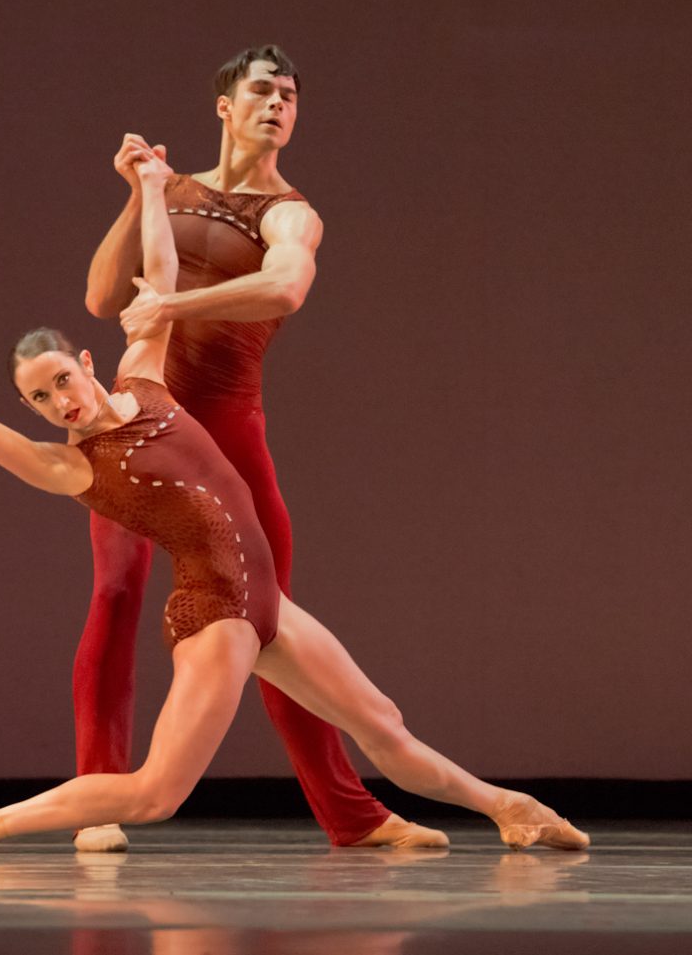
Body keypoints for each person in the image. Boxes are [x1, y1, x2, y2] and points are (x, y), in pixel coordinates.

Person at [0, 151, 590, 856]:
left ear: (87, 363)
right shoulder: (72, 470)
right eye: (41, 399)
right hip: (215, 613)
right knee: (156, 791)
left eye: (61, 380)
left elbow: (158, 280)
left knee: (384, 725)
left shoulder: (147, 376)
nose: (61, 401)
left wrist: (154, 184)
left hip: (265, 604)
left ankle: (509, 808)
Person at [74, 43, 439, 853]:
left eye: (291, 96)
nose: (279, 104)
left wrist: (168, 299)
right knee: (116, 593)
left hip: (229, 428)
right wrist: (142, 194)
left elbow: (284, 287)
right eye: (263, 90)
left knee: (268, 624)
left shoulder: (290, 214)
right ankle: (97, 799)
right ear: (224, 106)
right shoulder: (175, 191)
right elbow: (102, 296)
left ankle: (355, 815)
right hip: (146, 425)